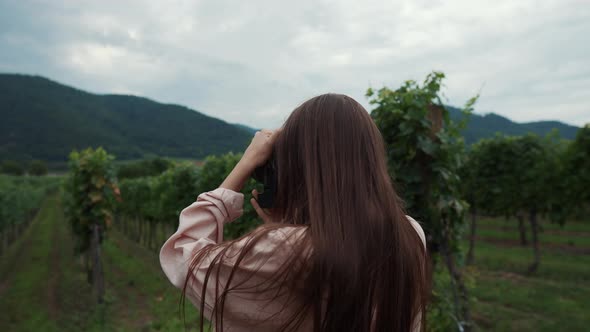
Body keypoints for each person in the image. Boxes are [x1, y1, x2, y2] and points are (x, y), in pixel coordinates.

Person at [160, 94, 430, 331]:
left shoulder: (283, 249)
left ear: (293, 168)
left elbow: (184, 255)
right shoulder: (410, 234)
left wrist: (245, 164)